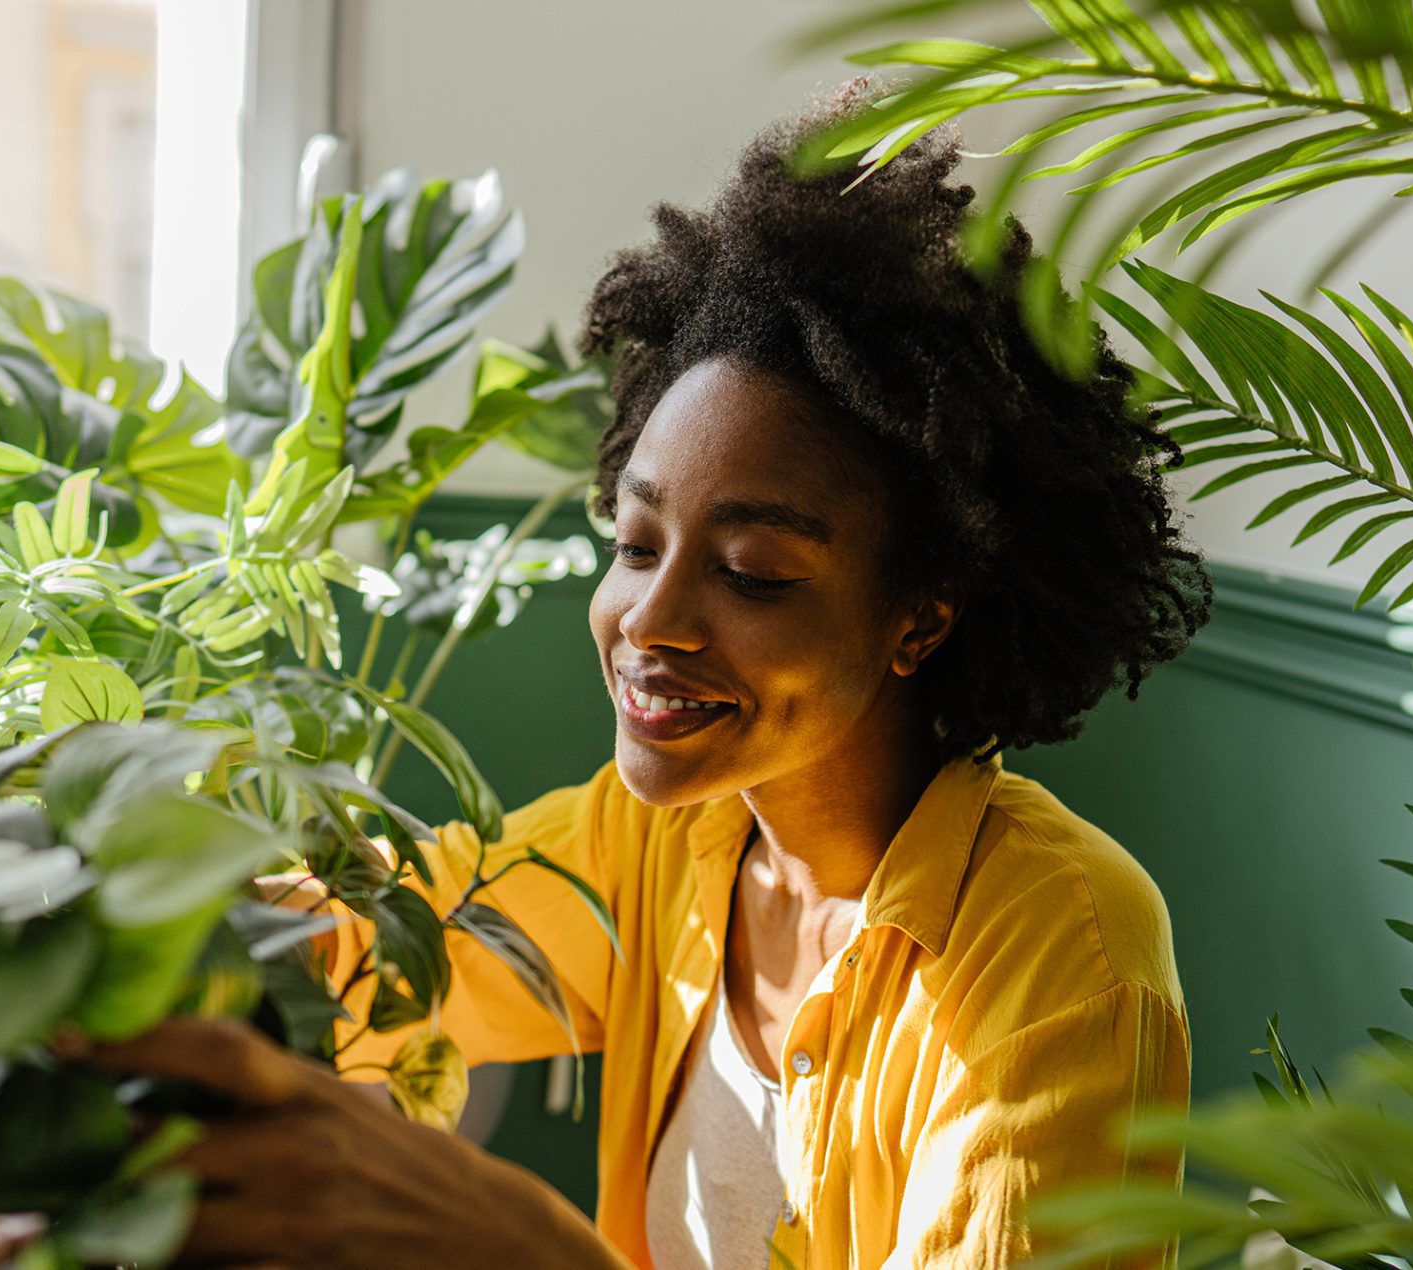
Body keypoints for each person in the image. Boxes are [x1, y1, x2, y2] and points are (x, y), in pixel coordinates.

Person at [76, 88, 1212, 1269]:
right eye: (632, 545)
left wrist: (522, 1248)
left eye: (752, 573)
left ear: (919, 616)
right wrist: (99, 928)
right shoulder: (675, 841)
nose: (647, 621)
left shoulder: (1060, 953)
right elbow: (394, 941)